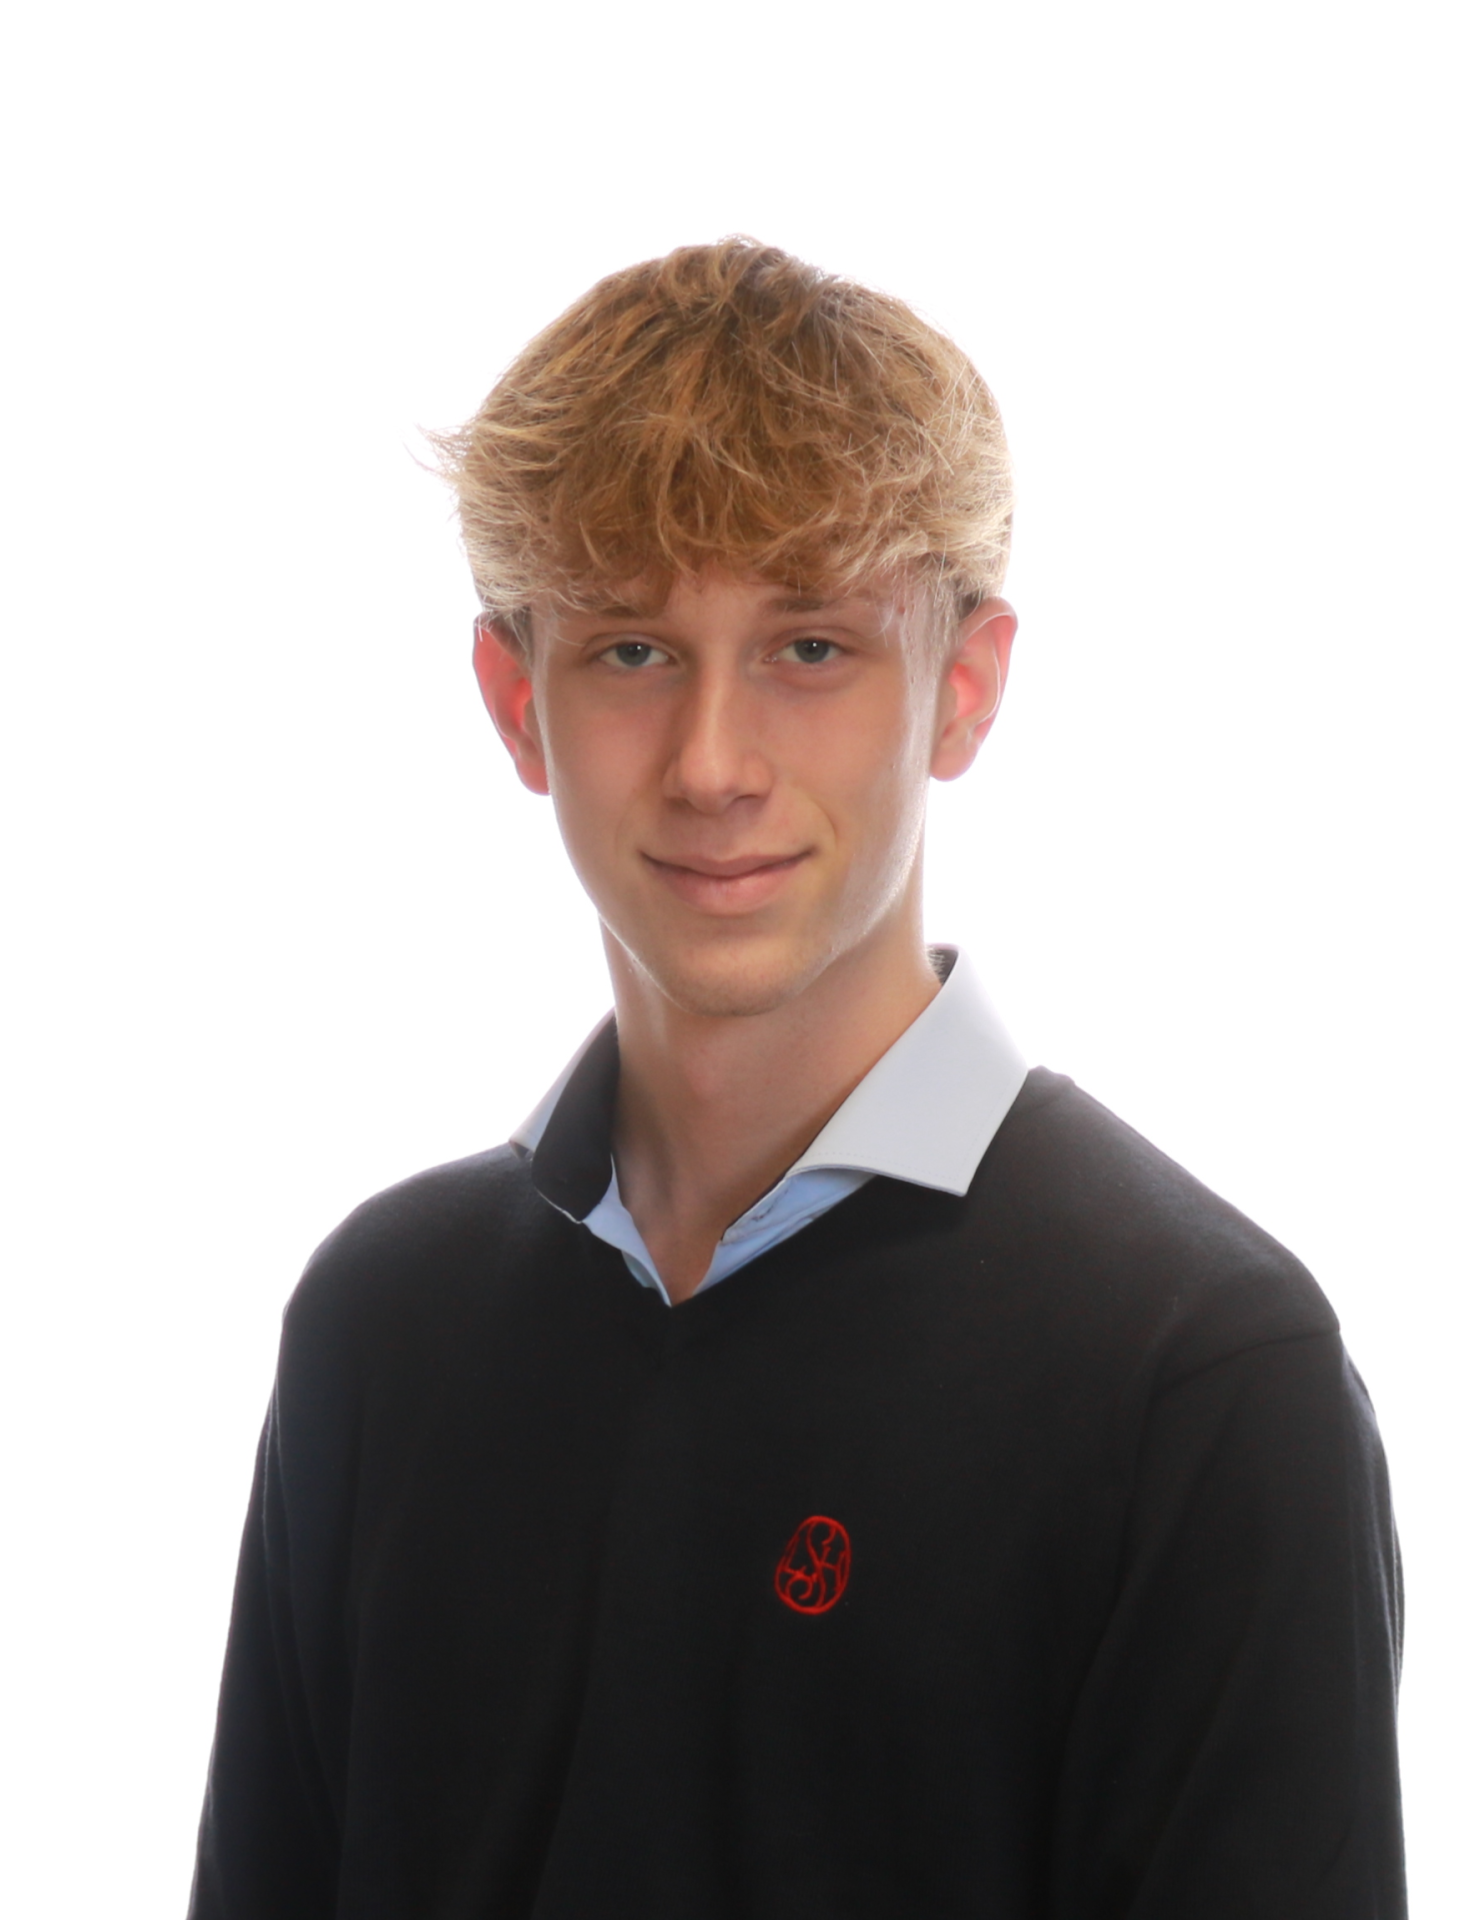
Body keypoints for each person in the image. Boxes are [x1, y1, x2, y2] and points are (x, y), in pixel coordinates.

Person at [188, 238, 1405, 1918]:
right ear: (516, 703)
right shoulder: (379, 1326)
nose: (712, 765)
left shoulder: (1197, 1378)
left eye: (811, 648)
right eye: (631, 651)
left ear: (963, 689)